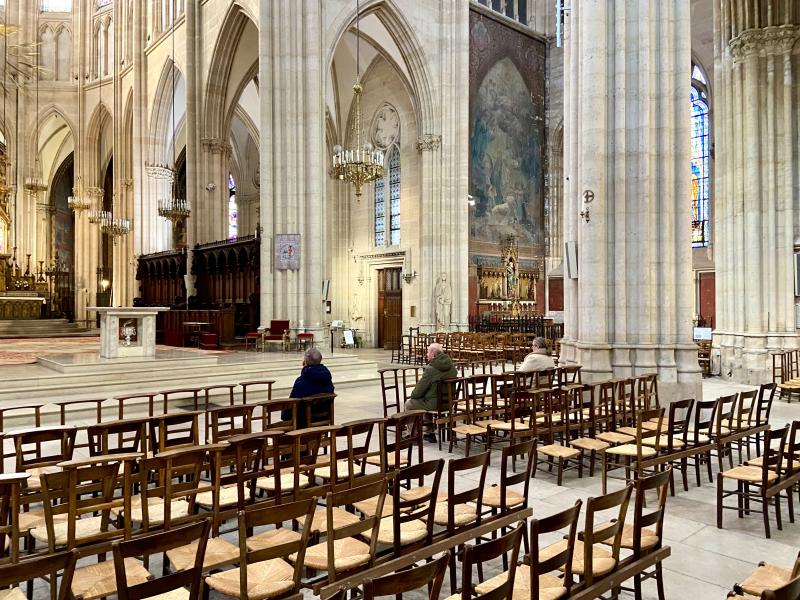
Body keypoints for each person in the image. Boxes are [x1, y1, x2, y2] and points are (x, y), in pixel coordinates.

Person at [405, 343, 457, 443]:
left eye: (427, 352)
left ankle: (412, 435)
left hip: (435, 404)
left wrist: (415, 395)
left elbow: (416, 393)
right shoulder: (452, 367)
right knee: (426, 399)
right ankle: (429, 433)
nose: (426, 354)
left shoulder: (430, 369)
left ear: (433, 354)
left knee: (409, 404)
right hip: (449, 404)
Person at [283, 347, 335, 428]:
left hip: (304, 423)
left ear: (306, 361)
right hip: (323, 420)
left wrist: (284, 414)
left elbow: (290, 406)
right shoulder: (328, 379)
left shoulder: (301, 381)